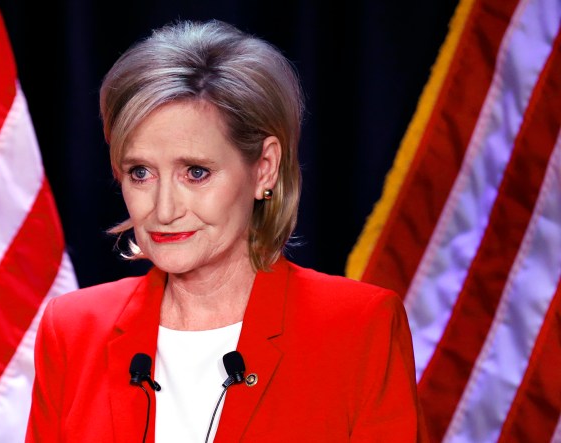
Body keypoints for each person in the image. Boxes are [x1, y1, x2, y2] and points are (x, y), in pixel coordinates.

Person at [26, 19, 427, 442]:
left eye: (195, 172)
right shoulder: (73, 329)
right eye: (140, 172)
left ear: (264, 168)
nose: (163, 210)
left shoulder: (358, 327)